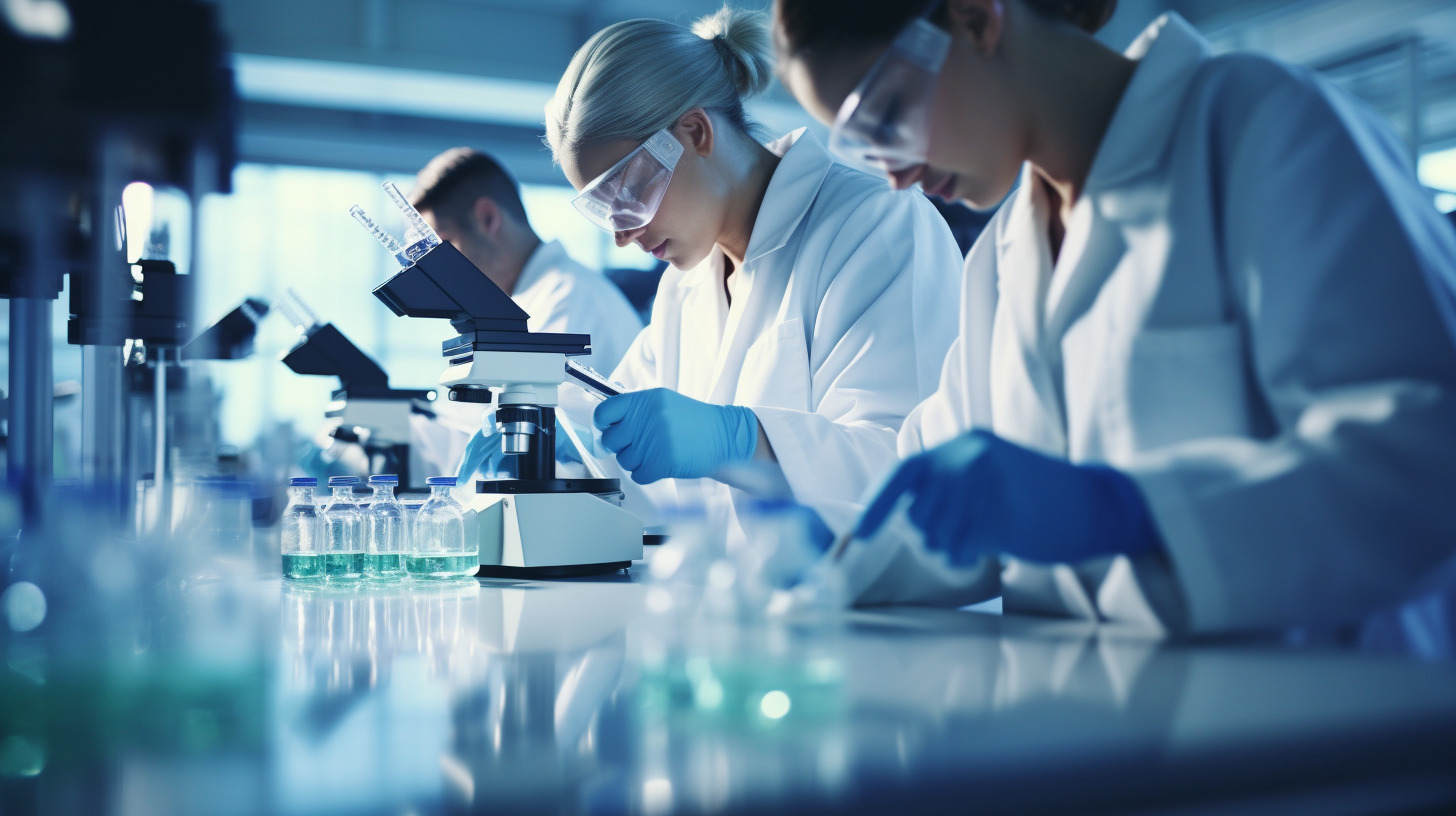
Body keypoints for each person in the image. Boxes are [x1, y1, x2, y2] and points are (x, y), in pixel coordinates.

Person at [774, 0, 1456, 632]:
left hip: (1338, 732)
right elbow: (946, 517)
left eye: (887, 114)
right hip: (1105, 731)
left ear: (977, 19)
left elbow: (1422, 462)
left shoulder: (1262, 126)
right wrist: (810, 562)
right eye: (864, 146)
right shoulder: (1002, 258)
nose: (892, 173)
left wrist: (1125, 511)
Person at [544, 8, 963, 536]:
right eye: (603, 209)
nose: (621, 234)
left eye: (625, 192)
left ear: (695, 132)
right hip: (737, 605)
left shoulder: (874, 223)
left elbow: (910, 466)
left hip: (870, 610)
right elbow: (620, 431)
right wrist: (562, 440)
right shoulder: (684, 286)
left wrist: (743, 440)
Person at [406, 148, 645, 481]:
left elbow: (545, 443)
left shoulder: (570, 296)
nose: (442, 272)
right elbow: (462, 425)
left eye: (446, 244)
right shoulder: (518, 305)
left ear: (488, 219)